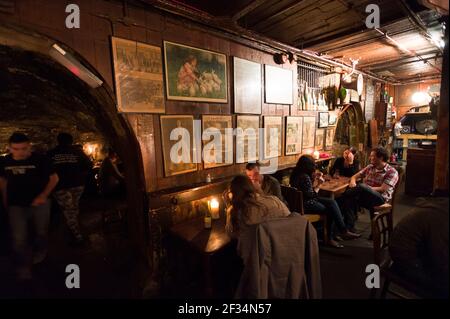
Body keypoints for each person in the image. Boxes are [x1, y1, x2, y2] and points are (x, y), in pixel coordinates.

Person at [0, 132, 59, 281]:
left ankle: (40, 253)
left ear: (29, 147)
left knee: (41, 232)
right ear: (9, 148)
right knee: (19, 238)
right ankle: (23, 267)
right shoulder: (4, 162)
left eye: (24, 148)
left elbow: (54, 178)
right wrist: (5, 202)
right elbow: (3, 182)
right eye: (16, 149)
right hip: (16, 205)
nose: (20, 152)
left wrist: (43, 196)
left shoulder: (40, 159)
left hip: (39, 203)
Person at [290, 155, 360, 248]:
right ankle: (330, 237)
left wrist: (314, 178)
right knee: (331, 210)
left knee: (332, 202)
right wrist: (319, 184)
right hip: (306, 204)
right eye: (313, 164)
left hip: (300, 202)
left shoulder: (295, 173)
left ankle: (341, 232)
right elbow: (312, 194)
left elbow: (306, 191)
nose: (314, 166)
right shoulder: (304, 177)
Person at [389, 194, 448, 298]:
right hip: (405, 260)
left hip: (414, 252)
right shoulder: (440, 215)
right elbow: (439, 254)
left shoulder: (440, 207)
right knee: (443, 284)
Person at [47, 133, 92, 244]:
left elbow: (46, 170)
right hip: (77, 184)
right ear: (71, 141)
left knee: (69, 210)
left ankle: (76, 235)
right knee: (73, 208)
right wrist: (81, 175)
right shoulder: (77, 152)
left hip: (60, 186)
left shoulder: (51, 153)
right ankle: (76, 232)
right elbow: (89, 165)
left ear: (58, 140)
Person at [344, 146, 399, 220]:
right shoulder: (370, 167)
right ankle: (349, 227)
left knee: (360, 187)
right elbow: (354, 176)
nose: (370, 158)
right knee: (348, 199)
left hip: (380, 199)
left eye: (372, 156)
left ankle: (344, 195)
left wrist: (364, 188)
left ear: (381, 158)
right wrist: (353, 182)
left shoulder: (392, 172)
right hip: (366, 195)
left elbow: (382, 189)